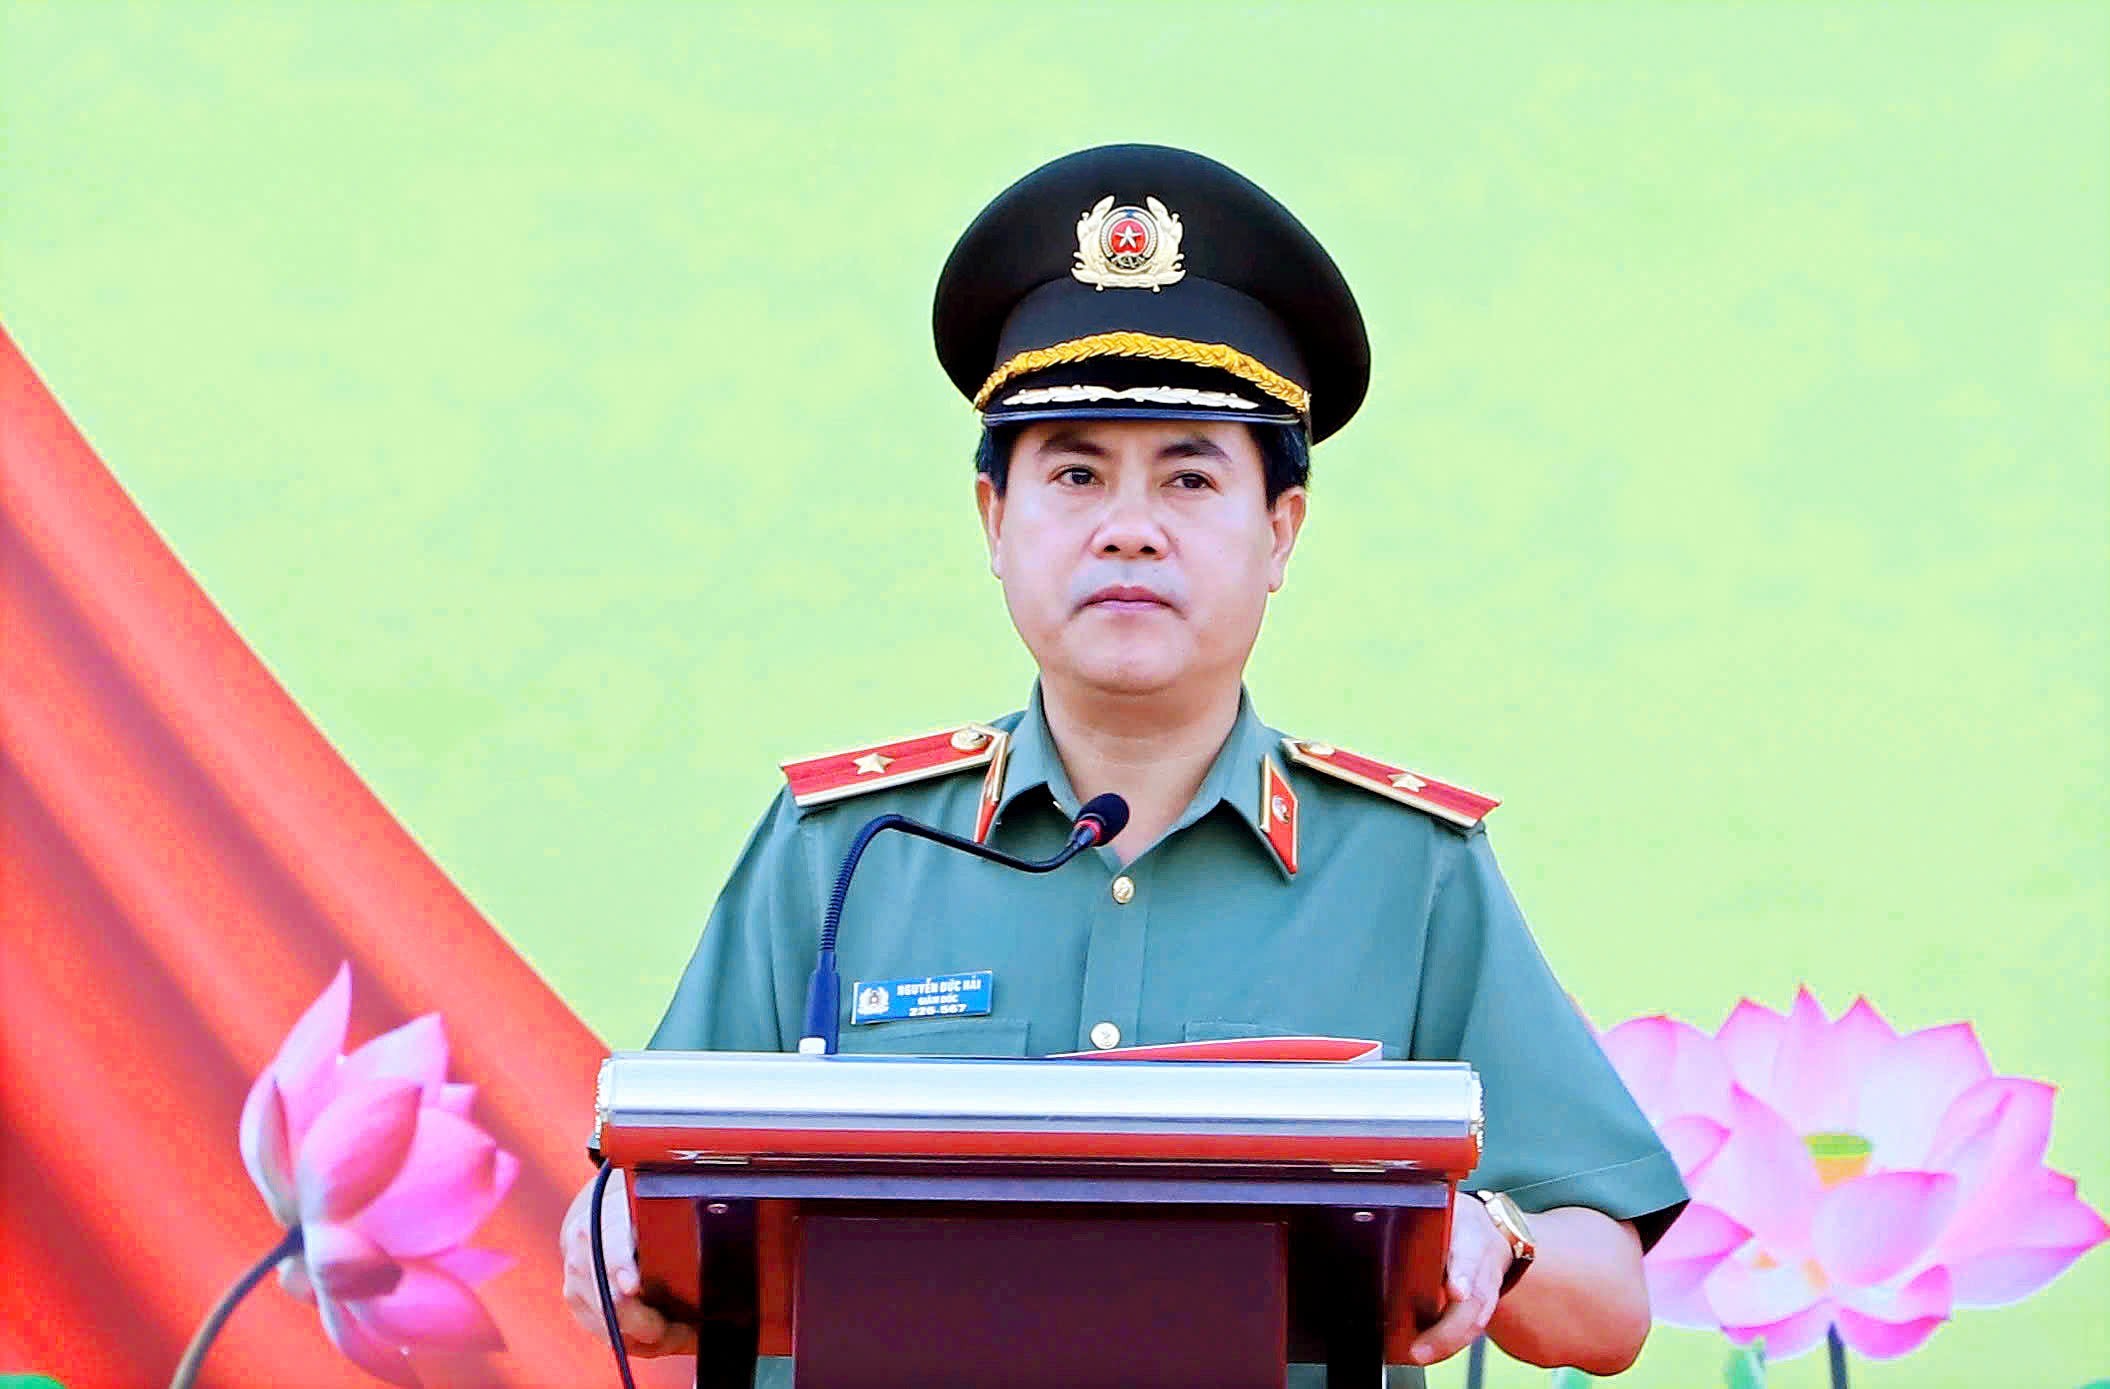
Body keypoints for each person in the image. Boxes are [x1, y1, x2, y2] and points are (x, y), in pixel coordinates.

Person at [561, 144, 1687, 1386]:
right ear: (995, 521)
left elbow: (1606, 1312)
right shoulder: (842, 849)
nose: (1129, 528)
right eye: (1075, 473)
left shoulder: (1402, 867)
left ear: (1280, 531)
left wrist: (1495, 1240)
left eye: (1190, 476)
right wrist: (605, 1229)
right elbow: (639, 1240)